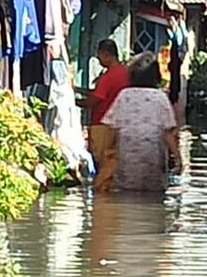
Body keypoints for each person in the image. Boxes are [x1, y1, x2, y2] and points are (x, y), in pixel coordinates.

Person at [96, 52, 183, 193]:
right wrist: (178, 159)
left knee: (126, 193)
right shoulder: (160, 98)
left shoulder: (124, 96)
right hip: (153, 158)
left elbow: (112, 128)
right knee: (154, 197)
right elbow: (168, 133)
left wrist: (106, 154)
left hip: (127, 157)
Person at [78, 39, 129, 172]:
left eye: (99, 55)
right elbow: (97, 92)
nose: (98, 59)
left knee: (102, 165)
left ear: (106, 54)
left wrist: (74, 102)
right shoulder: (125, 72)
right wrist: (76, 89)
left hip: (102, 125)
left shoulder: (108, 76)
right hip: (119, 124)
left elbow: (93, 100)